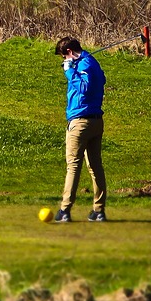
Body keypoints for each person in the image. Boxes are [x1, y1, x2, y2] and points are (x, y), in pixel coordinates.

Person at [54, 36, 107, 223]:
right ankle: (98, 211)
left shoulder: (84, 65)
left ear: (68, 52)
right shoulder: (91, 62)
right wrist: (75, 68)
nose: (64, 62)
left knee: (73, 165)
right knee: (95, 166)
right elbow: (102, 80)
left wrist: (70, 72)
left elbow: (84, 88)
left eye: (63, 57)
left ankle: (65, 210)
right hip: (96, 121)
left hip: (80, 122)